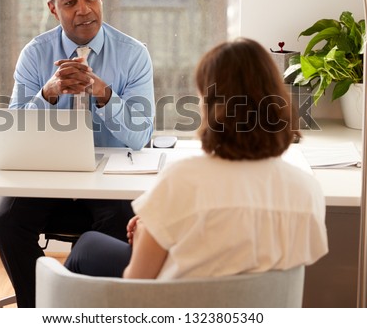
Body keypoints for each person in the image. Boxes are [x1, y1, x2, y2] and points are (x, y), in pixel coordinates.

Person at [64, 37, 328, 280]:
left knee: (87, 245)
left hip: (183, 307)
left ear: (212, 106)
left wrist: (148, 230)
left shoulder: (184, 179)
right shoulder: (307, 190)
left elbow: (137, 283)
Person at [0, 0, 155, 307]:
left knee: (118, 229)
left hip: (109, 180)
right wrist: (48, 93)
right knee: (5, 223)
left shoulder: (133, 54)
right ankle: (37, 307)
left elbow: (140, 135)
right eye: (70, 2)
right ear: (53, 8)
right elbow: (15, 129)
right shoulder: (35, 54)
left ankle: (80, 307)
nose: (84, 9)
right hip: (49, 175)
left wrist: (104, 94)